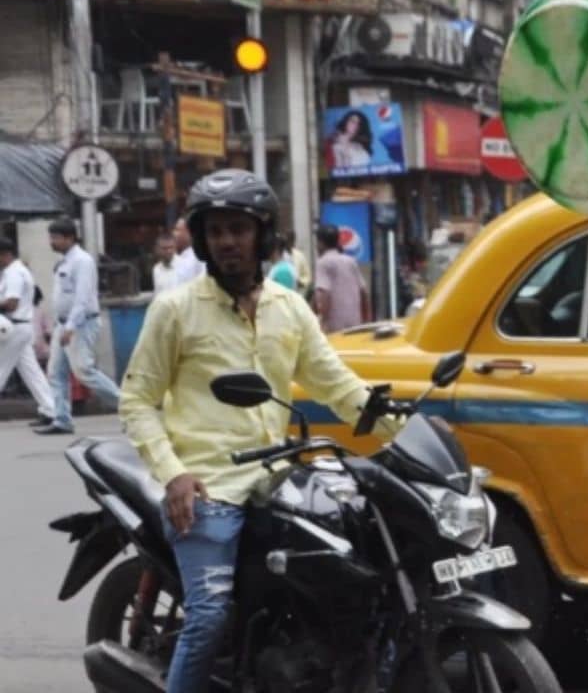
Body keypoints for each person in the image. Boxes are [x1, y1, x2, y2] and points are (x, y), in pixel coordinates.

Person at [119, 169, 401, 693]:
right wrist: (175, 475)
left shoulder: (288, 307)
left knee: (356, 583)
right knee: (208, 618)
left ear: (262, 234)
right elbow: (137, 399)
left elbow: (335, 384)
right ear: (202, 239)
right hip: (209, 488)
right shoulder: (176, 310)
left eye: (239, 229)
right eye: (216, 230)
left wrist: (402, 428)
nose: (227, 241)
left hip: (280, 481)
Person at [35, 218, 121, 436]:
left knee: (84, 371)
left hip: (81, 323)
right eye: (51, 237)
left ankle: (129, 406)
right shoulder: (63, 262)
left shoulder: (82, 261)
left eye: (55, 238)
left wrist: (71, 327)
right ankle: (62, 419)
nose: (51, 242)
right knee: (56, 373)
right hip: (62, 324)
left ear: (70, 238)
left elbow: (83, 298)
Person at [0, 237, 56, 427]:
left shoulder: (13, 273)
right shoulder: (18, 270)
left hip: (13, 326)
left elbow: (11, 302)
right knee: (31, 372)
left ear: (5, 254)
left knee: (1, 367)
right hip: (21, 326)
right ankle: (51, 409)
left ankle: (51, 409)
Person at [313, 224, 370, 333]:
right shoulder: (351, 261)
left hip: (334, 331)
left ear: (320, 243)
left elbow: (323, 295)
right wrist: (366, 321)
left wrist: (321, 322)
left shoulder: (323, 263)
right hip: (355, 327)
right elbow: (364, 293)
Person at [172, 218, 206, 285]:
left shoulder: (198, 257)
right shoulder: (176, 257)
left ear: (189, 232)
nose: (174, 233)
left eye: (177, 229)